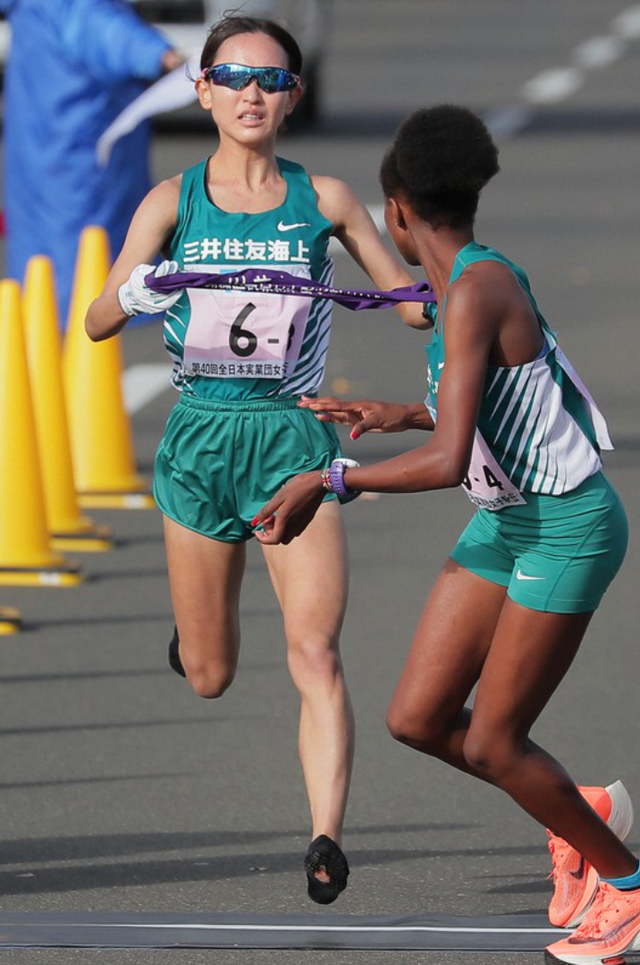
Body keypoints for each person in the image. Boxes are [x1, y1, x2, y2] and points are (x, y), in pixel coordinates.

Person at [251, 104, 639, 963]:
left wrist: (329, 477)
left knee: (497, 739)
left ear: (395, 208)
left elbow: (448, 457)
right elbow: (490, 407)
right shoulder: (463, 281)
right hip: (507, 520)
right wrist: (401, 413)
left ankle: (626, 882)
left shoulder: (473, 290)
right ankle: (583, 809)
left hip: (566, 527)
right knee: (418, 717)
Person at [85, 14, 425, 903]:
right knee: (211, 676)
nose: (251, 94)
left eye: (271, 81)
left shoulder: (330, 199)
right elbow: (95, 320)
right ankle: (196, 639)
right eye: (233, 77)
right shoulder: (171, 201)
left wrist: (453, 275)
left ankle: (324, 837)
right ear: (203, 92)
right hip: (199, 440)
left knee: (316, 649)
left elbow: (414, 308)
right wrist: (138, 285)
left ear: (293, 98)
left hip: (293, 440)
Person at [0, 0, 182, 325]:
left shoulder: (29, 8)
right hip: (84, 156)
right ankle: (91, 313)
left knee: (39, 256)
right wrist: (167, 58)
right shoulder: (73, 7)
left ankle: (46, 316)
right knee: (88, 251)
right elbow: (108, 32)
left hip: (35, 148)